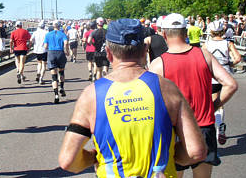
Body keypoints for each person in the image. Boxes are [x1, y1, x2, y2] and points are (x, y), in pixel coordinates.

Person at [59, 19, 207, 178]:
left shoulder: (91, 95)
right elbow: (196, 151)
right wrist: (170, 155)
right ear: (145, 50)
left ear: (108, 53)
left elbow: (68, 160)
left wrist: (94, 158)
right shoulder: (168, 88)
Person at [149, 13, 238, 178]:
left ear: (164, 34)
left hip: (175, 130)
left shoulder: (158, 64)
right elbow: (231, 84)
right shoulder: (204, 55)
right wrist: (214, 106)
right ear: (186, 32)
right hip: (204, 127)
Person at [203, 21, 241, 145]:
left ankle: (216, 126)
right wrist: (230, 64)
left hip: (212, 76)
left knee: (212, 102)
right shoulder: (228, 43)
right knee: (220, 103)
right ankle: (220, 127)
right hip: (225, 75)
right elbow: (238, 58)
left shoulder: (207, 44)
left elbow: (201, 59)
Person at [43, 21, 69, 103]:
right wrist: (66, 50)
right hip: (60, 53)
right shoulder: (62, 34)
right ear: (59, 26)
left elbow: (45, 46)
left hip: (51, 53)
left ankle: (56, 95)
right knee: (61, 72)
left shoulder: (48, 35)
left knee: (54, 77)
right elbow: (66, 43)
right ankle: (61, 87)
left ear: (53, 26)